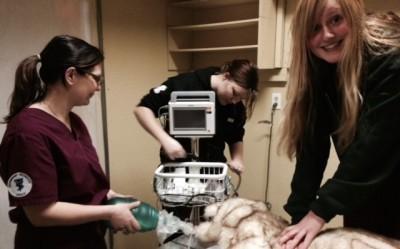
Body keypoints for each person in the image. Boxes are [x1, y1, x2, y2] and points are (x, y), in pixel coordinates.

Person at [277, 0, 400, 248]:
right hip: (363, 197)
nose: (327, 35)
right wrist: (298, 219)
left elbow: (374, 146)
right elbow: (311, 150)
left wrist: (319, 213)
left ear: (353, 15)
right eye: (314, 29)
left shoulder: (391, 59)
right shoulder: (321, 70)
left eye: (335, 20)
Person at [0, 35, 141, 249]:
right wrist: (109, 212)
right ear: (71, 75)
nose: (99, 88)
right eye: (96, 79)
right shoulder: (27, 133)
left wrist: (111, 198)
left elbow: (79, 184)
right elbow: (40, 213)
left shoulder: (73, 121)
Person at [134, 59, 258, 173]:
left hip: (212, 171)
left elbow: (235, 135)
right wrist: (165, 140)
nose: (235, 101)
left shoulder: (235, 106)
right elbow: (142, 108)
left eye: (240, 98)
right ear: (226, 76)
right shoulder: (185, 84)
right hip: (177, 169)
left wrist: (238, 159)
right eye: (234, 93)